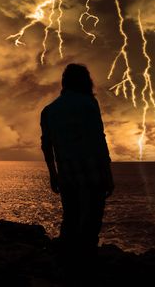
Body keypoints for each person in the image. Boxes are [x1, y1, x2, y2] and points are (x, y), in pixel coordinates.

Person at [40, 63, 114, 286]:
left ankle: (66, 267)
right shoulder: (89, 104)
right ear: (85, 81)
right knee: (91, 223)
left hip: (67, 175)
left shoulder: (49, 110)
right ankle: (85, 270)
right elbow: (98, 139)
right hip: (92, 173)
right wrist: (107, 172)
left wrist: (53, 174)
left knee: (70, 219)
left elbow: (47, 145)